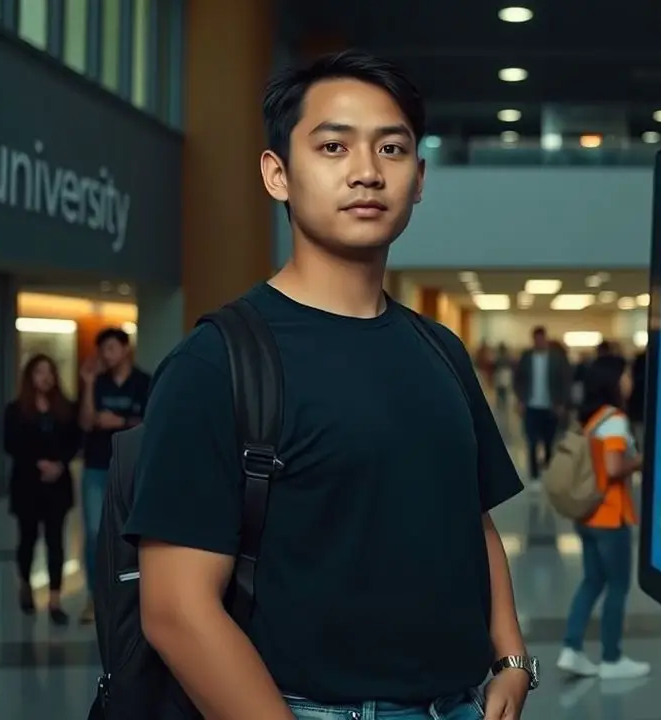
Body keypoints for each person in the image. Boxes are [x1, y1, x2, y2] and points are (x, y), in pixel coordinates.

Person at [123, 50, 533, 720]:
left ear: (419, 178)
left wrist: (511, 658)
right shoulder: (217, 363)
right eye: (334, 146)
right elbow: (175, 609)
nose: (367, 172)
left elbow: (471, 517)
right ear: (277, 174)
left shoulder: (440, 349)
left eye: (392, 149)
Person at [556, 356, 651, 681]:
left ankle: (571, 648)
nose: (630, 380)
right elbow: (612, 468)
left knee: (592, 581)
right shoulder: (615, 420)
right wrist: (640, 461)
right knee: (618, 586)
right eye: (625, 374)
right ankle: (611, 658)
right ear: (613, 381)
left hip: (586, 515)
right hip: (610, 517)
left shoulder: (592, 417)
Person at [78, 326, 150, 624]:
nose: (106, 356)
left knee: (132, 534)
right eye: (102, 350)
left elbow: (152, 421)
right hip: (96, 465)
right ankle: (96, 597)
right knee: (95, 533)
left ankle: (133, 596)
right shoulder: (99, 382)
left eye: (111, 348)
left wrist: (117, 420)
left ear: (125, 349)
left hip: (132, 467)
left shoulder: (144, 382)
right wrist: (89, 383)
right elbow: (85, 422)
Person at [3, 354, 81, 625]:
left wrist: (59, 464)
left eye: (49, 372)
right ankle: (26, 585)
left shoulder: (66, 408)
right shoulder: (15, 409)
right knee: (27, 540)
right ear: (30, 377)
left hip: (57, 486)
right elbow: (10, 444)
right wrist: (38, 463)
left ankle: (55, 599)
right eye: (39, 372)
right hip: (27, 484)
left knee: (55, 542)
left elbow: (75, 441)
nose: (45, 377)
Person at [514, 325, 572, 482]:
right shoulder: (526, 357)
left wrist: (561, 403)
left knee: (549, 441)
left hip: (551, 407)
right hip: (531, 406)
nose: (539, 342)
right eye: (536, 339)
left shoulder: (557, 358)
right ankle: (534, 476)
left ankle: (547, 471)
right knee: (532, 442)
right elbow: (518, 379)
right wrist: (520, 399)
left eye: (541, 339)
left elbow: (565, 381)